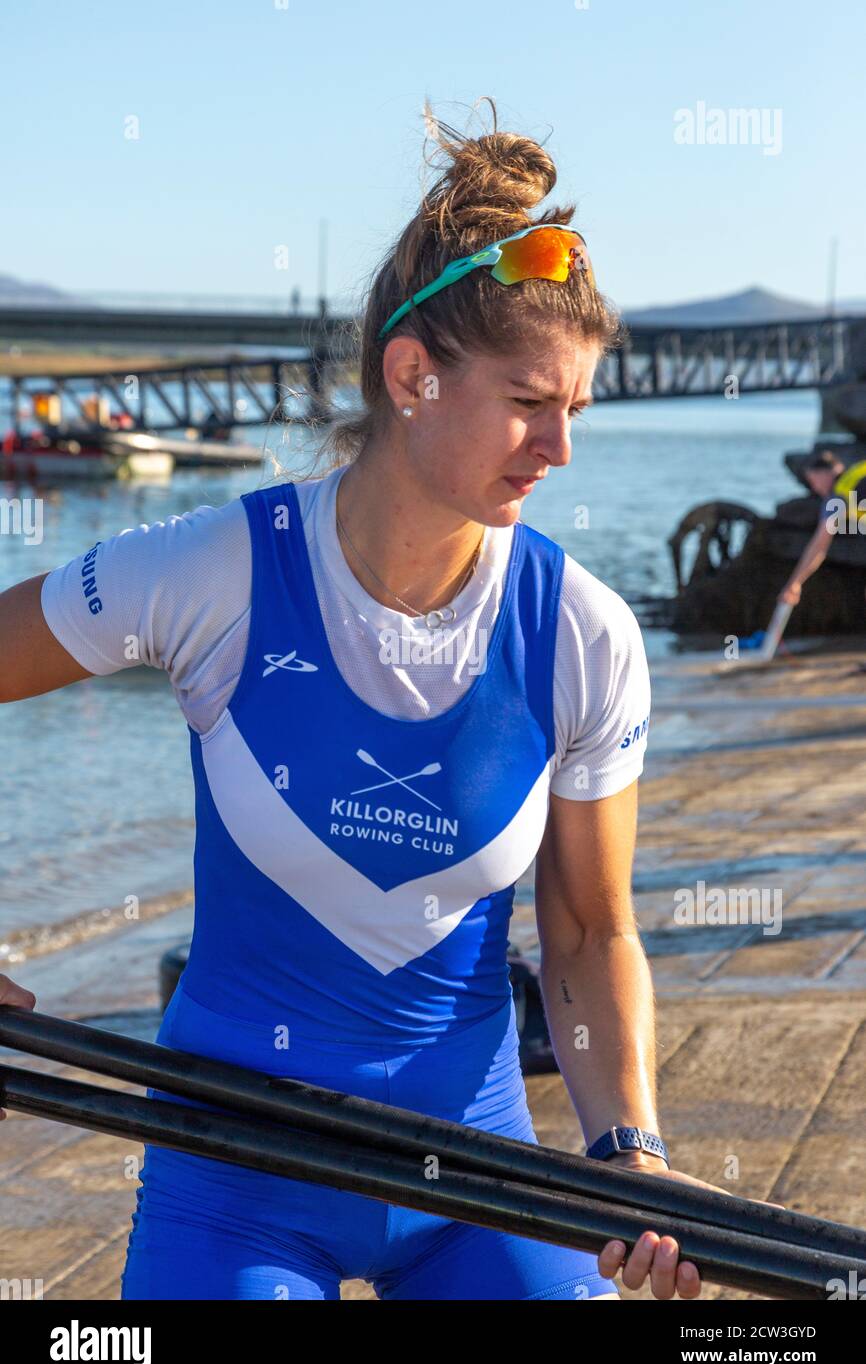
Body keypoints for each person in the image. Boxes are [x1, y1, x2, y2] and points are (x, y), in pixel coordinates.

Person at [0, 101, 727, 1301]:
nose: (558, 446)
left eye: (575, 410)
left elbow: (592, 936)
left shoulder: (582, 632)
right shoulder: (212, 571)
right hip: (237, 1167)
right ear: (412, 375)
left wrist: (629, 1151)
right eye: (525, 400)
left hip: (479, 1178)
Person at [779, 449, 866, 608]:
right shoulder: (859, 471)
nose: (815, 489)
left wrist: (795, 583)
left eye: (813, 481)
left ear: (824, 474)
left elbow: (820, 545)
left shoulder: (839, 495)